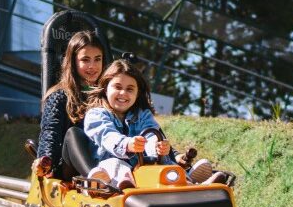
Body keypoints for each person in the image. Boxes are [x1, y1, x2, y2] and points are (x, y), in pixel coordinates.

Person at [84, 59, 227, 189]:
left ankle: (192, 186)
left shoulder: (142, 115)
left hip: (141, 168)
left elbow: (151, 132)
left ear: (137, 93)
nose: (123, 93)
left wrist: (157, 147)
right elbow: (107, 136)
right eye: (117, 87)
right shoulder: (96, 115)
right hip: (109, 166)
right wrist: (127, 144)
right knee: (116, 165)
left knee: (164, 164)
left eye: (130, 89)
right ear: (105, 88)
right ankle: (126, 186)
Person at [33, 30, 104, 179]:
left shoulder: (108, 94)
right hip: (69, 168)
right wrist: (46, 159)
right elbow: (50, 132)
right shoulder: (60, 96)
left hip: (105, 160)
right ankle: (95, 178)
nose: (92, 66)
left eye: (97, 59)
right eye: (85, 60)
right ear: (73, 62)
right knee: (73, 134)